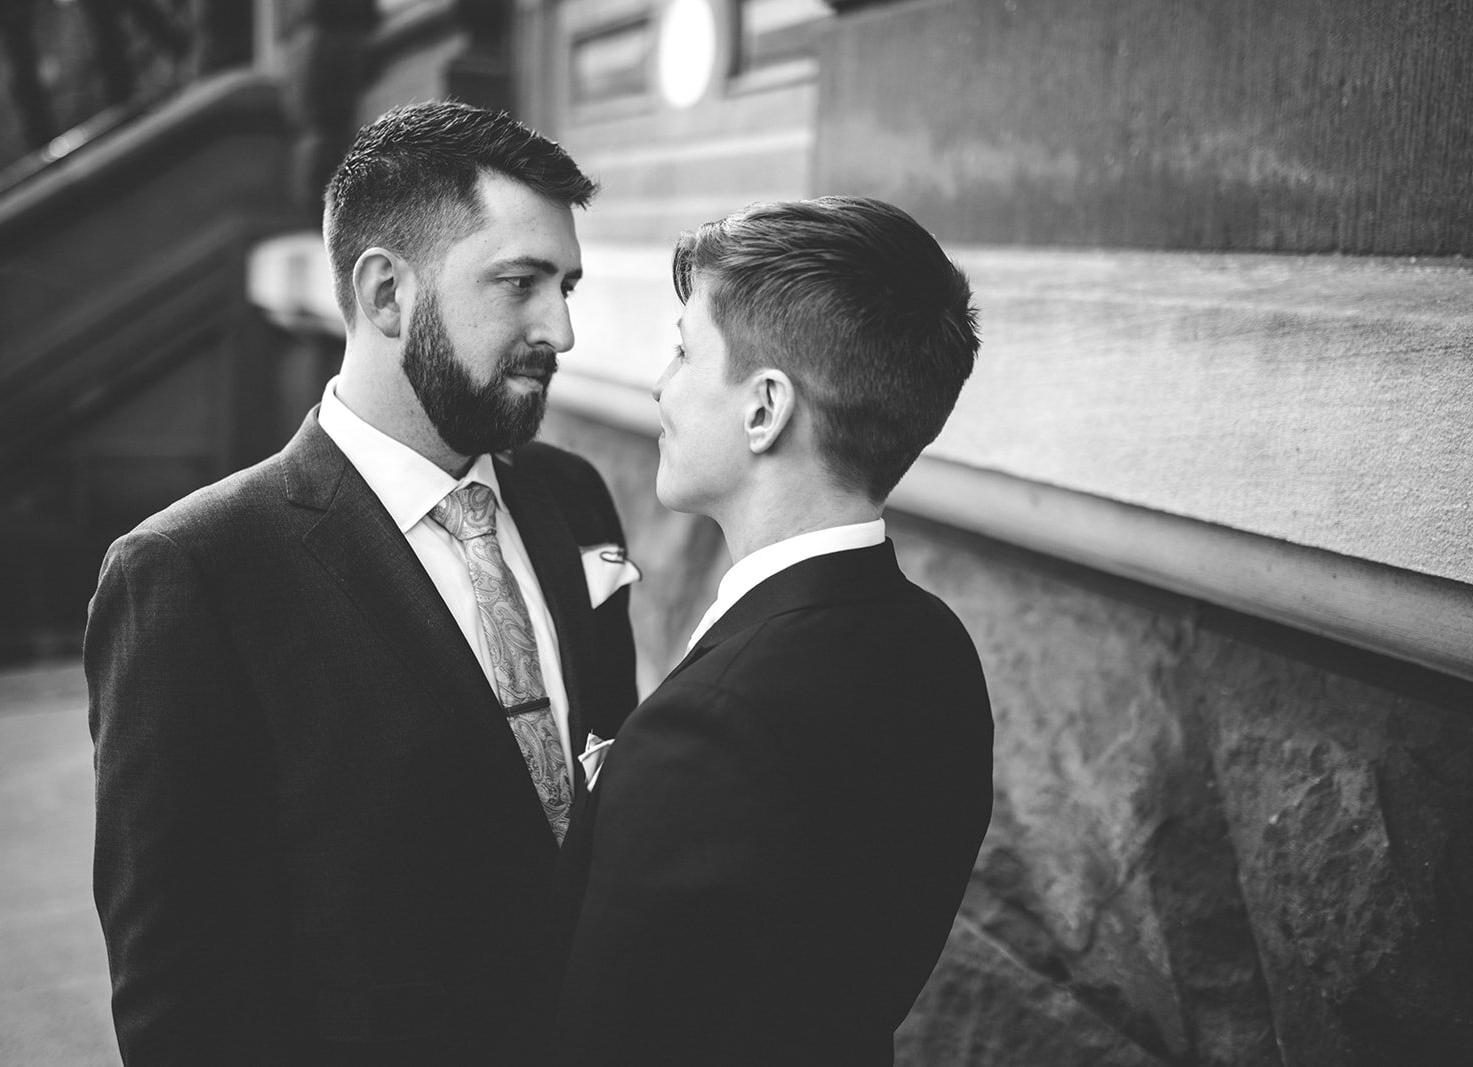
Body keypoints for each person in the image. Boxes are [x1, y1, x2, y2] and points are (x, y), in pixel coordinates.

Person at [85, 101, 638, 1066]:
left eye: (568, 285)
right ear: (387, 295)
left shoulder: (573, 497)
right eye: (521, 284)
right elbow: (183, 994)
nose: (562, 328)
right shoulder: (191, 572)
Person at [551, 196, 995, 1066]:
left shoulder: (712, 724)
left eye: (684, 349)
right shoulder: (939, 650)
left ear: (765, 409)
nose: (660, 383)